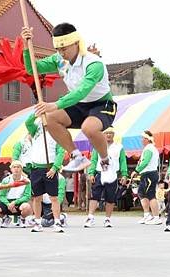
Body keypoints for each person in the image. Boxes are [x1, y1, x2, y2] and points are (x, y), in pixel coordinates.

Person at [21, 23, 115, 172]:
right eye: (58, 49)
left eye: (64, 48)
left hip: (101, 104)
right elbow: (32, 68)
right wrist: (26, 46)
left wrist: (56, 104)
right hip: (78, 104)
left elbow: (82, 91)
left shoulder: (93, 64)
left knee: (88, 128)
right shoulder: (59, 60)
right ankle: (76, 156)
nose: (61, 53)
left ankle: (105, 160)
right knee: (49, 119)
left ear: (76, 43)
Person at [24, 113, 66, 233]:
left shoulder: (57, 134)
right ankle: (37, 222)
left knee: (54, 197)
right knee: (37, 198)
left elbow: (60, 152)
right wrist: (36, 114)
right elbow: (28, 122)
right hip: (36, 168)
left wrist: (55, 168)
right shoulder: (36, 130)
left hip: (50, 168)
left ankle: (57, 222)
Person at [85, 127, 128, 228]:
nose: (108, 135)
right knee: (94, 195)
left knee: (110, 198)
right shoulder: (97, 145)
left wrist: (124, 174)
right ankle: (90, 217)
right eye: (106, 133)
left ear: (113, 135)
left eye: (110, 133)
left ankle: (107, 219)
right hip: (100, 173)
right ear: (103, 134)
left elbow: (123, 161)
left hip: (112, 174)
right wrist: (91, 173)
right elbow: (94, 160)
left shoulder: (119, 147)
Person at [0, 160, 33, 228]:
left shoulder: (27, 181)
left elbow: (27, 196)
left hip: (19, 202)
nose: (16, 169)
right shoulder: (6, 180)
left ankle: (22, 219)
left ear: (21, 169)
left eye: (18, 167)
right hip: (6, 202)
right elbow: (2, 195)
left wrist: (15, 202)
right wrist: (8, 204)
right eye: (14, 167)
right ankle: (5, 218)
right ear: (11, 169)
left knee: (27, 207)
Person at [132, 130, 162, 225]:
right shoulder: (149, 148)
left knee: (150, 195)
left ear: (147, 139)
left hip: (149, 174)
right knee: (141, 193)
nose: (141, 140)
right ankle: (147, 215)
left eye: (143, 138)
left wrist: (136, 170)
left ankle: (156, 217)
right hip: (146, 174)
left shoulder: (149, 149)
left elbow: (145, 162)